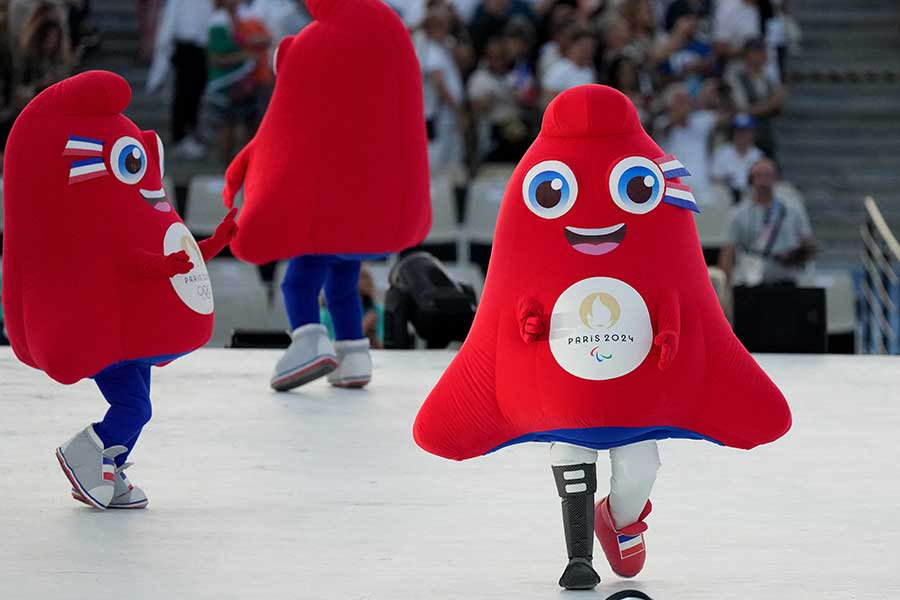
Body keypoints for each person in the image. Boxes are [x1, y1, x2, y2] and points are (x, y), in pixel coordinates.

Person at [2, 71, 237, 510]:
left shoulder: (135, 210)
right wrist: (165, 265)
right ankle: (85, 453)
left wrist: (218, 239)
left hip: (135, 335)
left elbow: (179, 249)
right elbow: (132, 261)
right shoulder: (102, 227)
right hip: (110, 337)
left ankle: (110, 466)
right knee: (137, 409)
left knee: (141, 407)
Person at [718, 158, 816, 287]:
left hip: (786, 280)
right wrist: (725, 287)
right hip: (750, 282)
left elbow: (808, 241)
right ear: (751, 179)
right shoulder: (738, 213)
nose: (763, 181)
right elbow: (728, 251)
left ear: (776, 178)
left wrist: (796, 255)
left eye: (768, 175)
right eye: (759, 176)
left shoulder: (793, 208)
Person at [148, 0, 214, 160]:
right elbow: (170, 19)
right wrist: (163, 47)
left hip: (202, 47)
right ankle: (180, 136)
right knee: (184, 93)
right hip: (185, 47)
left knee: (197, 91)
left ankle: (193, 128)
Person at [206, 0, 265, 165]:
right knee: (228, 128)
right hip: (227, 84)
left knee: (250, 126)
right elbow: (216, 58)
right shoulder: (218, 21)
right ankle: (225, 171)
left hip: (244, 82)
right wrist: (245, 56)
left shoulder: (241, 16)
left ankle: (249, 167)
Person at [414, 4, 465, 175]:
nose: (446, 30)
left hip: (446, 116)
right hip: (439, 115)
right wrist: (457, 109)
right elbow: (440, 85)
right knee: (436, 163)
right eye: (442, 26)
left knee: (451, 163)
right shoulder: (430, 49)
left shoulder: (443, 47)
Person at [467, 36, 531, 163]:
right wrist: (490, 98)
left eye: (501, 56)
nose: (498, 61)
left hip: (517, 127)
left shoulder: (517, 74)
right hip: (493, 128)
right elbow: (474, 107)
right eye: (494, 57)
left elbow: (530, 100)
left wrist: (518, 95)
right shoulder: (480, 77)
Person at [727, 38, 785, 158]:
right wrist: (770, 104)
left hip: (765, 137)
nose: (763, 56)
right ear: (749, 55)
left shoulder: (767, 78)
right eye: (759, 52)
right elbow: (741, 110)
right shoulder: (735, 76)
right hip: (743, 139)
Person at [14, 3, 73, 106]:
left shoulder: (59, 58)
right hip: (34, 101)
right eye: (48, 39)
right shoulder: (29, 58)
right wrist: (40, 84)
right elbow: (22, 88)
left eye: (54, 40)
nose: (51, 43)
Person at [321, 267, 385, 349]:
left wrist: (372, 336)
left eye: (369, 277)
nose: (369, 280)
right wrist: (363, 327)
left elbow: (384, 349)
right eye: (363, 277)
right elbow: (331, 349)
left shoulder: (378, 311)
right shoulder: (326, 315)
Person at [710, 113, 764, 202]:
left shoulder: (758, 156)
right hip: (726, 196)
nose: (742, 135)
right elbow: (715, 178)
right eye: (739, 131)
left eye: (746, 131)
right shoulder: (721, 153)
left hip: (750, 197)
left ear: (752, 133)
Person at [540, 28, 595, 107]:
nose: (587, 52)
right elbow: (548, 99)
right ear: (572, 46)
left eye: (590, 49)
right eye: (584, 47)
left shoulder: (589, 71)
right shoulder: (558, 70)